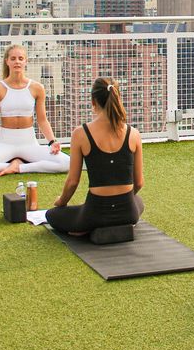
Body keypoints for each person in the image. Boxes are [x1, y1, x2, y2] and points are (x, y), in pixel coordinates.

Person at [45, 77, 144, 234]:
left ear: (93, 101)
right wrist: (120, 202)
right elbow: (138, 183)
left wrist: (61, 201)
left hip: (95, 215)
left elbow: (72, 182)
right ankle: (118, 222)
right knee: (138, 201)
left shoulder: (80, 134)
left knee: (51, 215)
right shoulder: (134, 134)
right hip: (128, 214)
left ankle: (86, 228)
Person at [0, 44, 68, 176]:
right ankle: (11, 165)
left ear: (26, 61)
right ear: (7, 61)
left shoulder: (37, 88)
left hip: (29, 143)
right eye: (13, 58)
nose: (17, 61)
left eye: (21, 58)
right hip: (5, 143)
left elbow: (42, 120)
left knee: (66, 163)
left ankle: (19, 167)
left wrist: (52, 142)